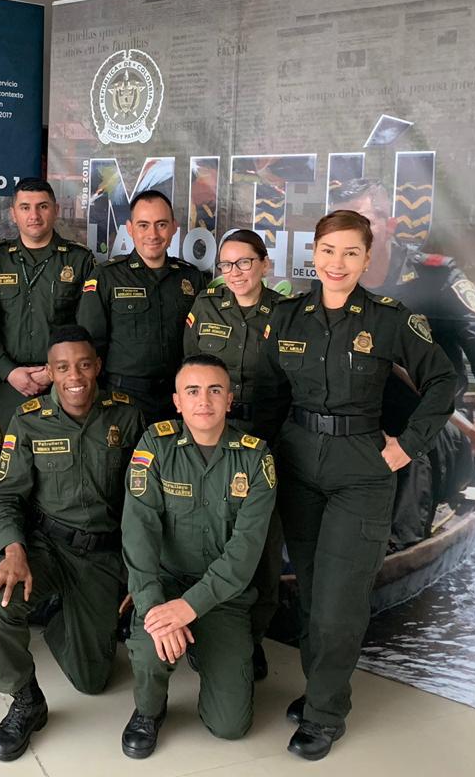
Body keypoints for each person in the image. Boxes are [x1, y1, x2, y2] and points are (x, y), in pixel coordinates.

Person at [264, 210, 455, 760]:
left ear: (367, 259)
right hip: (299, 462)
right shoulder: (288, 316)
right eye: (328, 250)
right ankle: (320, 690)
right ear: (314, 253)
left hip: (360, 470)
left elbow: (443, 380)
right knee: (310, 590)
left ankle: (326, 714)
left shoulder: (389, 319)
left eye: (351, 253)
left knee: (339, 601)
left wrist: (407, 445)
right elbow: (271, 390)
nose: (337, 263)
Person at [0, 325, 145, 761]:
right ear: (50, 372)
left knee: (93, 681)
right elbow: (5, 497)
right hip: (45, 546)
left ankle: (58, 619)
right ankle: (25, 700)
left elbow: (144, 500)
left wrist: (139, 568)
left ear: (97, 366)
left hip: (102, 554)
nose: (75, 376)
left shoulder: (126, 415)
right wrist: (13, 551)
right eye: (64, 367)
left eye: (84, 365)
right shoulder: (28, 419)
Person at [330, 177, 475, 548]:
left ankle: (398, 548)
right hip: (361, 421)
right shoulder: (334, 286)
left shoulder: (436, 278)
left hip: (436, 424)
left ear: (390, 225)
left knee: (407, 443)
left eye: (361, 221)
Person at [119, 355, 276, 758]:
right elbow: (138, 533)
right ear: (177, 401)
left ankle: (203, 647)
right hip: (167, 583)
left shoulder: (256, 458)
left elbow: (244, 553)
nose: (203, 401)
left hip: (224, 597)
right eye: (192, 391)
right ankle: (149, 711)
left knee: (230, 727)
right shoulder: (155, 445)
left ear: (229, 400)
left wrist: (188, 608)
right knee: (151, 643)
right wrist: (155, 606)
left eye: (214, 390)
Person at [182, 229, 290, 680]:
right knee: (208, 529)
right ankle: (201, 626)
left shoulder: (285, 313)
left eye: (245, 262)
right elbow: (191, 371)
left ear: (264, 264)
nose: (235, 273)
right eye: (226, 264)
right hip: (214, 435)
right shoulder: (206, 307)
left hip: (267, 436)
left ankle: (253, 637)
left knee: (261, 541)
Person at [77, 190, 207, 421]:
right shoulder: (107, 277)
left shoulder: (191, 278)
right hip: (123, 398)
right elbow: (89, 345)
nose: (153, 234)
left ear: (174, 227)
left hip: (178, 399)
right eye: (143, 225)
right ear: (129, 228)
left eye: (161, 224)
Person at [0, 178, 96, 420]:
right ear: (13, 214)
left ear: (55, 210)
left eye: (42, 206)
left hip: (65, 383)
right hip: (8, 383)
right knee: (9, 444)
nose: (34, 215)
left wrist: (52, 371)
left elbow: (88, 327)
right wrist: (8, 371)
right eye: (25, 207)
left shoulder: (79, 260)